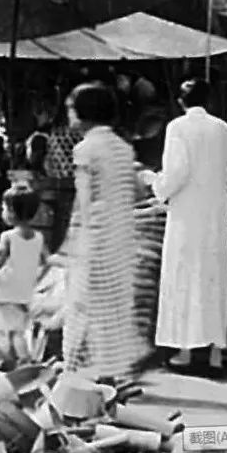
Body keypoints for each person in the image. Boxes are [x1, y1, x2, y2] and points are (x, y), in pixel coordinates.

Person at [142, 77, 227, 372]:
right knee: (213, 278)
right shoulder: (221, 128)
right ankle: (216, 353)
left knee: (185, 277)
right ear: (210, 101)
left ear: (181, 102)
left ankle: (185, 351)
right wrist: (223, 176)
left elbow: (177, 172)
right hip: (215, 214)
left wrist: (156, 184)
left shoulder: (177, 128)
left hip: (185, 214)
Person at [57, 82, 146, 382]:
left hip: (95, 237)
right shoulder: (124, 148)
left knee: (81, 307)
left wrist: (72, 242)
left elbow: (83, 202)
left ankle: (74, 374)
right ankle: (113, 375)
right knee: (114, 310)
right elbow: (133, 192)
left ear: (84, 112)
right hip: (121, 235)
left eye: (71, 108)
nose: (69, 114)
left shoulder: (85, 150)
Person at [0, 184, 49, 365]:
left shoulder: (8, 236)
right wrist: (37, 278)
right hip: (24, 289)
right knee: (17, 329)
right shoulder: (39, 237)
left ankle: (19, 360)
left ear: (12, 212)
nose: (3, 212)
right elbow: (47, 261)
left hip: (5, 288)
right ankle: (18, 360)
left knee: (6, 329)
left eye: (4, 208)